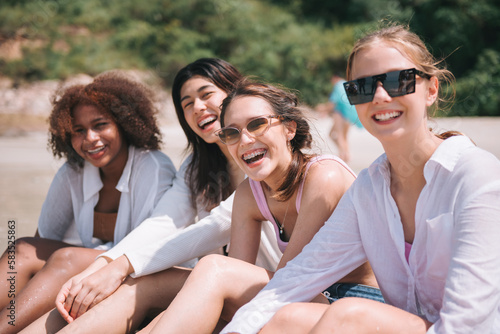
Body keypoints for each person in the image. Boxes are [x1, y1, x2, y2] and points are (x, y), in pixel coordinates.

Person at [222, 25, 500, 334]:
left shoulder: (474, 174)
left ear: (431, 90)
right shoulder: (368, 189)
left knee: (350, 314)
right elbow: (299, 275)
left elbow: (469, 322)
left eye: (398, 81)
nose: (380, 96)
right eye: (363, 88)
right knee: (282, 318)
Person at [20, 58, 281, 334]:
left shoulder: (264, 160)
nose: (198, 108)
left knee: (137, 277)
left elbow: (212, 227)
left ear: (235, 94)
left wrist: (116, 266)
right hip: (220, 279)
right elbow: (164, 222)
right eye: (187, 104)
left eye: (206, 95)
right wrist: (105, 266)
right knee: (123, 282)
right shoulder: (196, 169)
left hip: (262, 284)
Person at [144, 79, 381, 334]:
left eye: (257, 124)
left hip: (359, 304)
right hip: (309, 297)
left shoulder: (325, 176)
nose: (244, 140)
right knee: (207, 290)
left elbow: (291, 277)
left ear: (289, 128)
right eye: (231, 133)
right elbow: (235, 274)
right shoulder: (250, 193)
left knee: (213, 269)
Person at [0, 71, 177, 333]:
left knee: (67, 257)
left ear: (123, 123)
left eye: (100, 125)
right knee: (24, 248)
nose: (90, 138)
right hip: (93, 268)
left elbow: (148, 251)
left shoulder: (154, 167)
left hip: (146, 273)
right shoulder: (74, 170)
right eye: (78, 131)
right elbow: (42, 241)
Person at [327, 73, 363, 163]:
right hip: (350, 115)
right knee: (344, 136)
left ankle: (343, 155)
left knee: (336, 135)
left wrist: (323, 110)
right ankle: (346, 154)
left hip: (340, 114)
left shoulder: (337, 86)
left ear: (335, 78)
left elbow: (333, 103)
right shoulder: (347, 85)